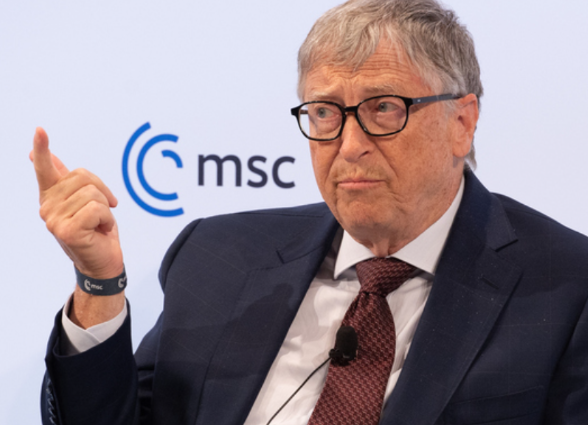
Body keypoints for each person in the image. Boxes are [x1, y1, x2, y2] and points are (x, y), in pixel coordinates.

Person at [33, 0, 588, 424]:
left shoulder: (567, 286)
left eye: (384, 108)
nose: (349, 145)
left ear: (462, 123)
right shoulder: (216, 258)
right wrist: (98, 284)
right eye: (325, 112)